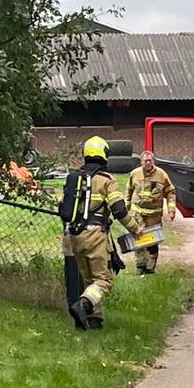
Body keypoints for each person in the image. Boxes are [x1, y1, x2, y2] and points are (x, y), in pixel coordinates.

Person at [59, 136, 141, 330]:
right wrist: (135, 229)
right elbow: (119, 210)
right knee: (103, 281)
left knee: (90, 281)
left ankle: (93, 321)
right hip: (95, 235)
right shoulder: (106, 180)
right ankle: (83, 305)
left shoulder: (74, 178)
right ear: (105, 154)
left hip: (74, 236)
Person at [126, 149, 177, 274]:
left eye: (150, 160)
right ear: (141, 162)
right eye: (145, 161)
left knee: (153, 242)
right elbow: (128, 191)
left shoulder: (161, 175)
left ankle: (150, 268)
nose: (148, 163)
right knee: (138, 240)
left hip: (154, 216)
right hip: (137, 215)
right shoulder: (134, 174)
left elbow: (171, 193)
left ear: (153, 161)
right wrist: (126, 208)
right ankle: (140, 266)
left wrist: (171, 210)